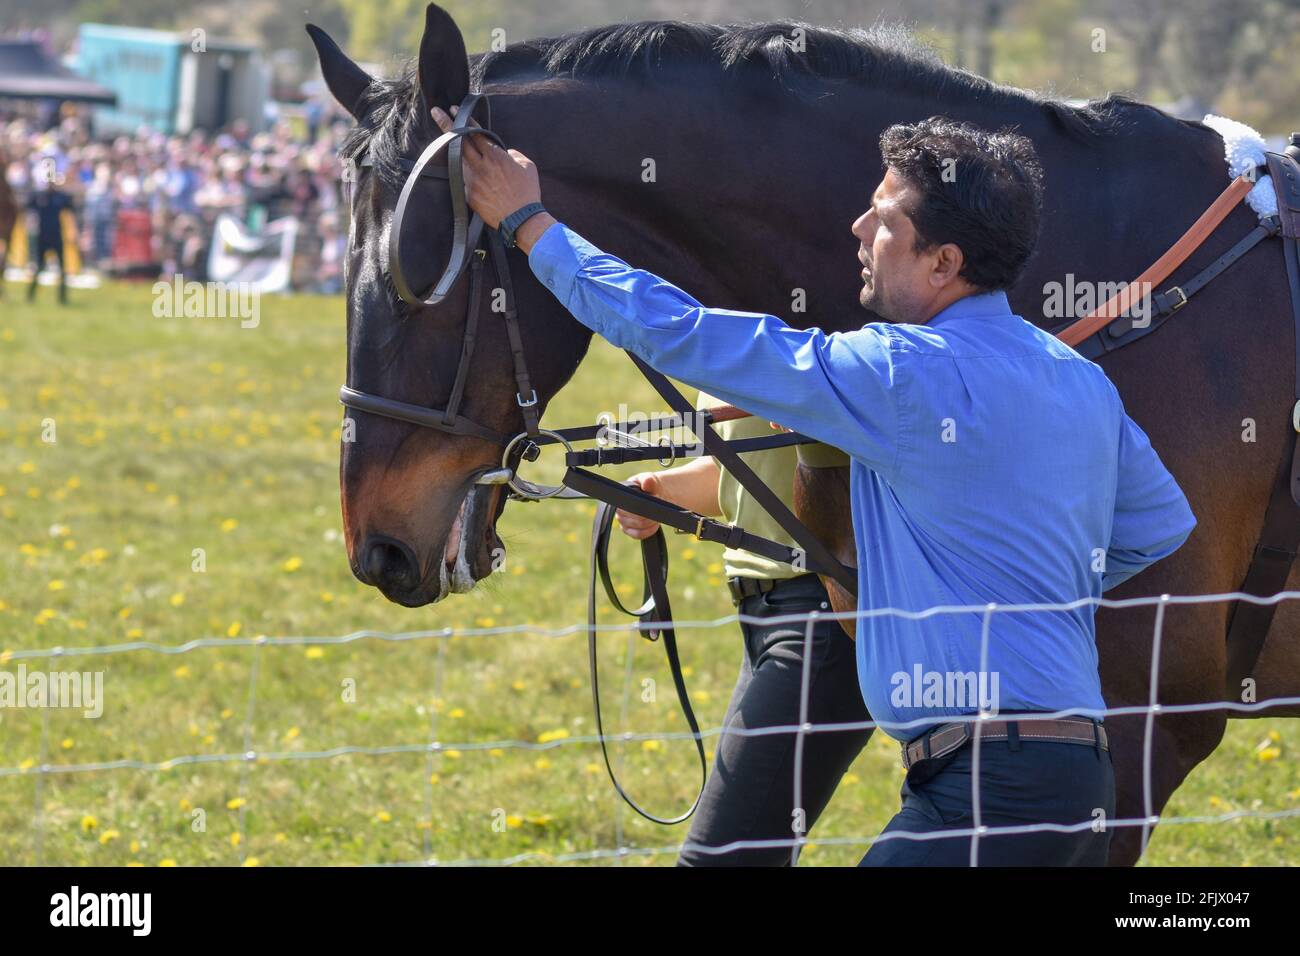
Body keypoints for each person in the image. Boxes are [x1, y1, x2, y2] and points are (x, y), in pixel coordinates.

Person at [433, 105, 1196, 866]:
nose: (860, 230)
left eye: (885, 218)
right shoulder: (1078, 379)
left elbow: (681, 333)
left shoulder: (897, 372)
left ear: (943, 263)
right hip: (1073, 779)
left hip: (988, 791)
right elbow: (1155, 525)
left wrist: (531, 224)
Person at [614, 395, 870, 866]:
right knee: (755, 849)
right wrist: (661, 492)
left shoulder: (811, 327)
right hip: (762, 615)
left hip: (825, 615)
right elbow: (738, 473)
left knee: (723, 857)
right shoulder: (735, 331)